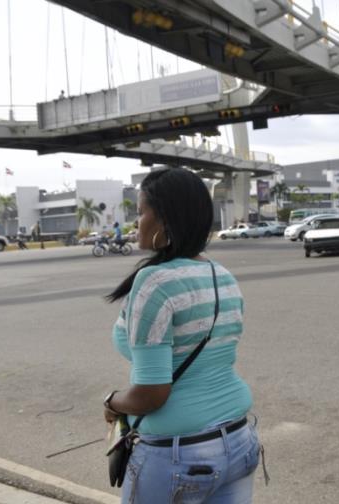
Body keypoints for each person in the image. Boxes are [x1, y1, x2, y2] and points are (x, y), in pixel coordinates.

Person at [102, 167, 260, 503]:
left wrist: (112, 401)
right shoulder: (224, 276)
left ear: (163, 220)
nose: (136, 222)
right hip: (239, 440)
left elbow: (152, 394)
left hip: (179, 456)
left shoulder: (154, 283)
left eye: (141, 211)